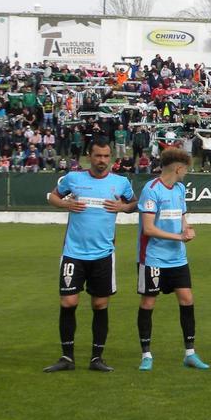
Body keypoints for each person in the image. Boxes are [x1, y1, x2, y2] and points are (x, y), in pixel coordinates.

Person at [44, 137, 136, 372]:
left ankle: (97, 358)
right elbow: (52, 196)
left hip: (103, 254)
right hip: (73, 253)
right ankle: (67, 357)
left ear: (111, 158)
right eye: (98, 156)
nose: (102, 160)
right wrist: (66, 205)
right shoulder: (74, 178)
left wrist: (123, 208)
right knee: (68, 302)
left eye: (106, 156)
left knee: (100, 304)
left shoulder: (121, 182)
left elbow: (134, 203)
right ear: (89, 156)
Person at [136, 148, 208, 370]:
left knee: (187, 300)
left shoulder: (179, 189)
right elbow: (148, 228)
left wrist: (187, 230)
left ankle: (190, 353)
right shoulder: (151, 190)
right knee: (148, 302)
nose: (186, 173)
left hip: (177, 258)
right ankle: (146, 355)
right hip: (153, 259)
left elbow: (182, 217)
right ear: (178, 168)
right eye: (185, 169)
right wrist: (178, 236)